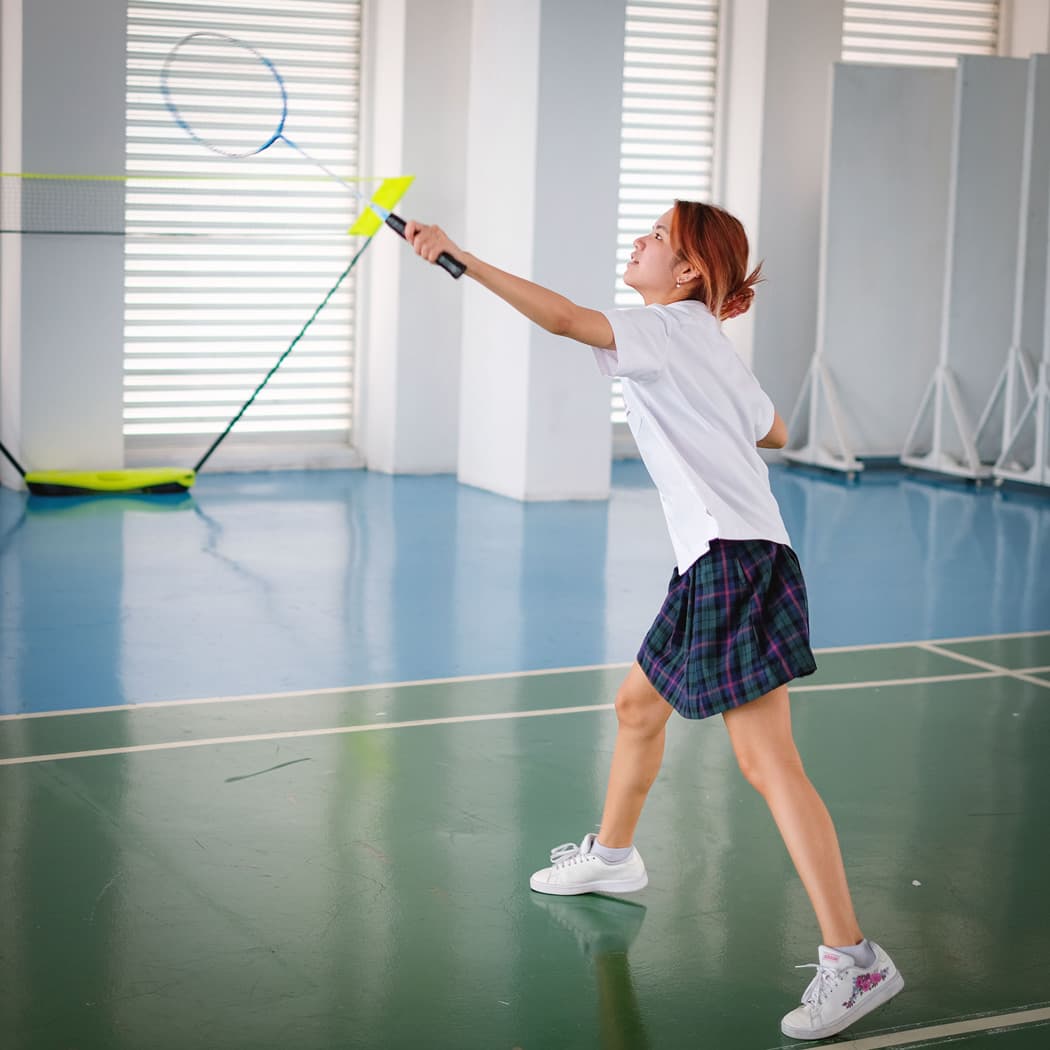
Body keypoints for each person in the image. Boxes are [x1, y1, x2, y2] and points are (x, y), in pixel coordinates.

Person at [403, 201, 904, 1041]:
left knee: (767, 761)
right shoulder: (701, 341)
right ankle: (613, 856)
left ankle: (854, 961)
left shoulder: (668, 331)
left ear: (689, 273)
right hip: (719, 559)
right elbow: (773, 429)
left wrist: (458, 255)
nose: (639, 241)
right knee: (638, 708)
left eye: (659, 237)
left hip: (734, 561)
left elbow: (565, 320)